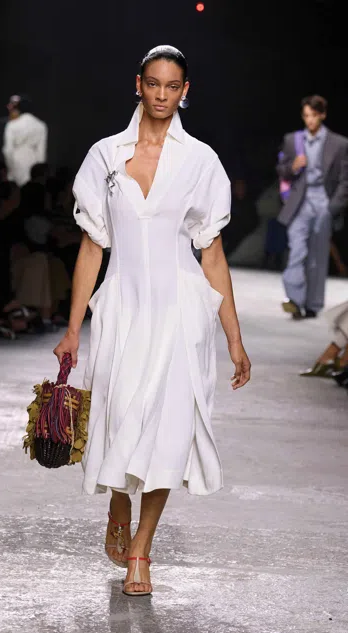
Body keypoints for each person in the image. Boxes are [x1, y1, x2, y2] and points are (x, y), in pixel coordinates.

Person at [53, 45, 251, 596]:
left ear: (186, 91)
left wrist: (234, 339)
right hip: (122, 308)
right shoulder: (105, 156)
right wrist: (72, 329)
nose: (162, 95)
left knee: (169, 429)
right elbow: (92, 247)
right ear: (138, 84)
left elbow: (212, 254)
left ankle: (142, 548)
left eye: (173, 86)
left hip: (180, 310)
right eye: (154, 84)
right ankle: (118, 503)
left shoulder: (200, 162)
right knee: (119, 415)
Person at [277, 95, 348, 320]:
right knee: (297, 249)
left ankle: (312, 304)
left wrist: (332, 207)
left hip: (323, 203)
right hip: (299, 203)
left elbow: (345, 180)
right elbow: (281, 170)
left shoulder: (339, 144)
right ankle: (295, 300)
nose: (309, 120)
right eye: (306, 115)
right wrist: (293, 167)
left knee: (317, 256)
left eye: (314, 115)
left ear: (323, 115)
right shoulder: (293, 140)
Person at [2, 95, 48, 187]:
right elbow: (41, 152)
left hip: (15, 161)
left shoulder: (12, 125)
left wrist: (10, 168)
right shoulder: (41, 125)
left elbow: (7, 150)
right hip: (33, 161)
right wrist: (40, 174)